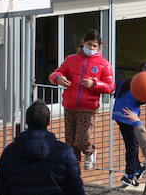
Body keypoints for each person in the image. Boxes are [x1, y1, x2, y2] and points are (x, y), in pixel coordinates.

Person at [49, 29, 115, 169]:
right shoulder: (71, 59)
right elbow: (56, 73)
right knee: (70, 140)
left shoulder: (104, 64)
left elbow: (110, 86)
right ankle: (73, 168)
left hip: (88, 106)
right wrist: (58, 78)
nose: (91, 48)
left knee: (82, 138)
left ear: (99, 47)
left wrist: (95, 84)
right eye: (89, 44)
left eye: (94, 46)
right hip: (70, 105)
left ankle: (90, 151)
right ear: (83, 42)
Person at [112, 60, 146, 187]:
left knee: (131, 144)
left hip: (118, 114)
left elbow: (116, 95)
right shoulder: (142, 84)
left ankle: (137, 169)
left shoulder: (126, 81)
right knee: (132, 146)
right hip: (129, 117)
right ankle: (130, 174)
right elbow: (142, 100)